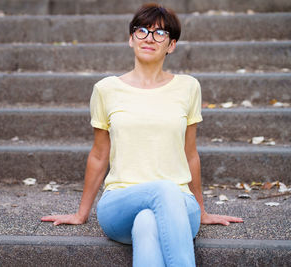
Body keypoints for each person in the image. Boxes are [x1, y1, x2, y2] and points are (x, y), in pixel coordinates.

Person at [41, 3, 243, 266]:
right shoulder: (106, 89)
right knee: (163, 190)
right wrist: (82, 213)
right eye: (142, 30)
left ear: (171, 45)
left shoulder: (188, 87)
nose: (149, 37)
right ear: (130, 39)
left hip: (181, 206)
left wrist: (202, 210)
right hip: (120, 204)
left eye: (160, 33)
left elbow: (190, 153)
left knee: (147, 222)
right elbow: (100, 154)